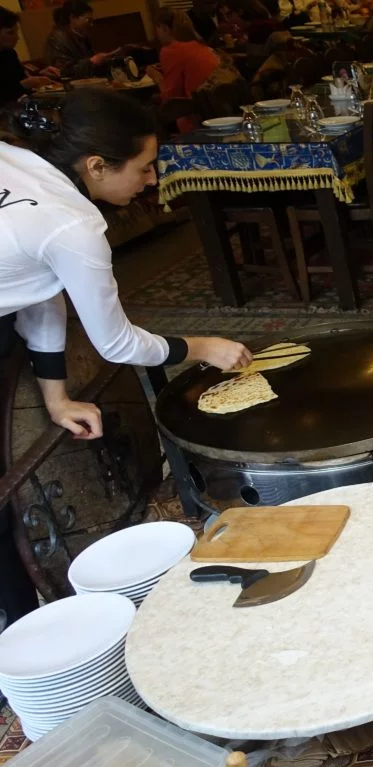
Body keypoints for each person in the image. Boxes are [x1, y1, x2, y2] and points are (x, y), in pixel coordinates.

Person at [0, 89, 250, 626]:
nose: (153, 180)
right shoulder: (73, 223)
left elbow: (40, 290)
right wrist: (204, 347)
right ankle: (15, 630)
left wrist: (55, 395)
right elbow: (117, 344)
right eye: (145, 167)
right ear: (95, 165)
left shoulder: (15, 158)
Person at [153, 10, 221, 131]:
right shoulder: (201, 45)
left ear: (164, 28)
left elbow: (170, 97)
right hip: (221, 111)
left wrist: (157, 77)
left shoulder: (170, 51)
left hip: (197, 120)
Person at [1, 8, 58, 106]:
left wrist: (39, 74)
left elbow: (21, 79)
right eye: (10, 33)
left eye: (16, 32)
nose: (17, 37)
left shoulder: (9, 53)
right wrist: (22, 85)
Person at [44, 0, 110, 78]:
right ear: (73, 18)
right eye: (88, 20)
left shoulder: (83, 36)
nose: (91, 25)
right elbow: (61, 71)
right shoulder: (57, 38)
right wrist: (92, 61)